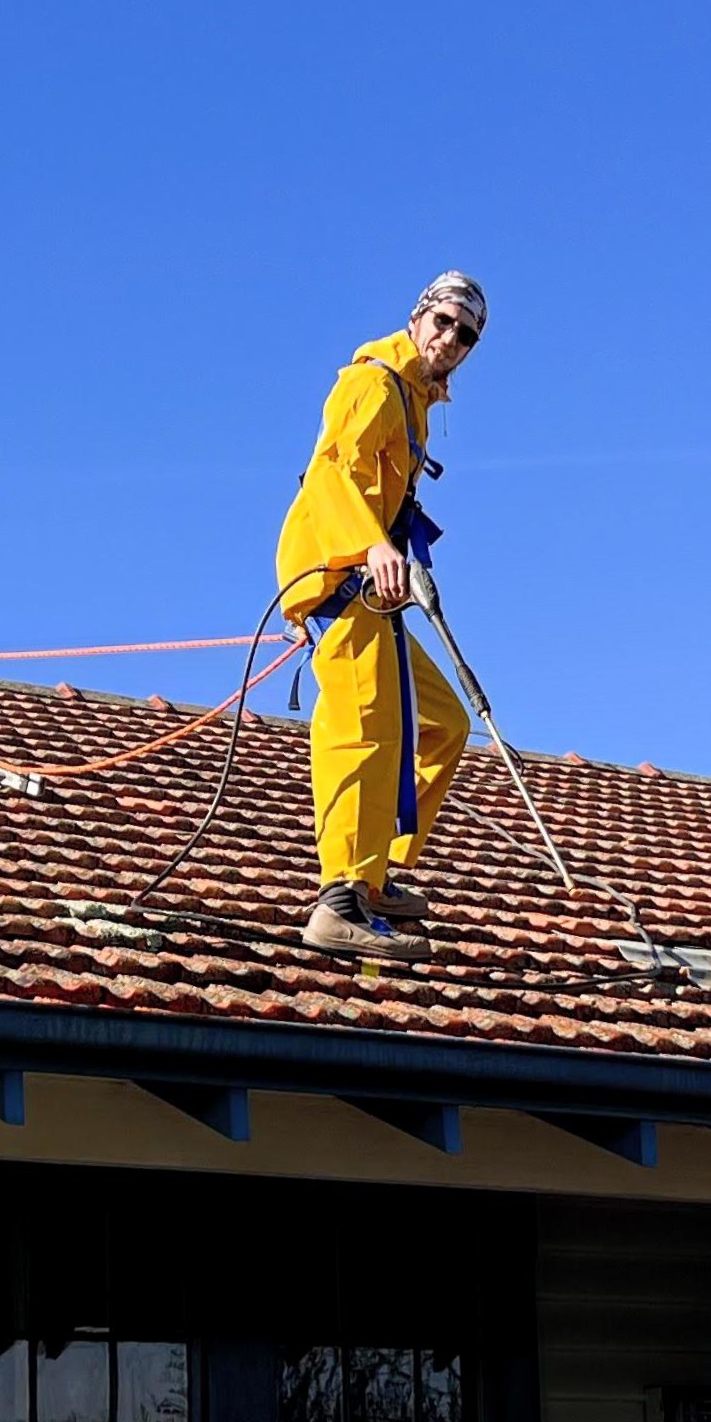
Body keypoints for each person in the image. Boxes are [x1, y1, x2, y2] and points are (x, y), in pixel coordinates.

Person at [276, 272, 485, 960]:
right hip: (344, 578)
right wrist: (367, 544)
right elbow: (336, 467)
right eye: (446, 321)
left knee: (441, 724)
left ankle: (374, 874)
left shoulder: (416, 403)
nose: (452, 339)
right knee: (362, 729)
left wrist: (395, 548)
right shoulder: (374, 381)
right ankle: (339, 898)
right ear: (419, 315)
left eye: (466, 335)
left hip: (374, 585)